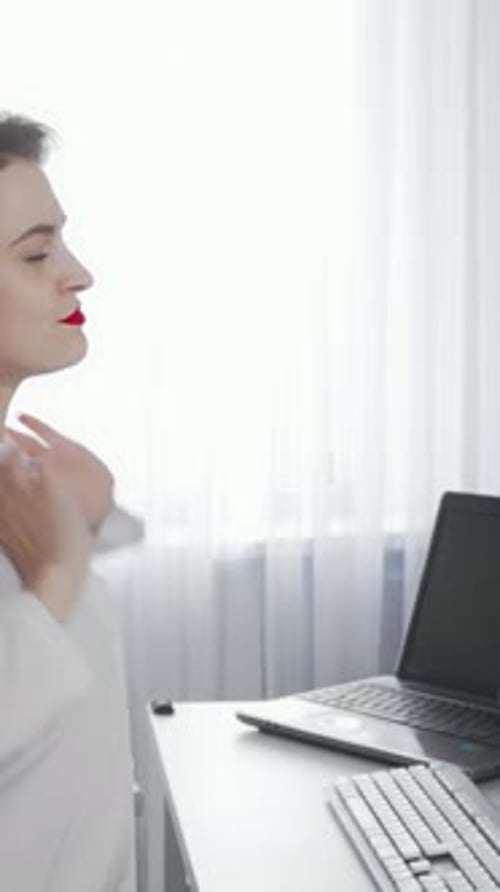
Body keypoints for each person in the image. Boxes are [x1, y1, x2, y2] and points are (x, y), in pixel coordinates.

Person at [0, 114, 143, 891]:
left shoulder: (15, 467)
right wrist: (56, 576)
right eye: (37, 252)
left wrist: (93, 518)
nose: (78, 273)